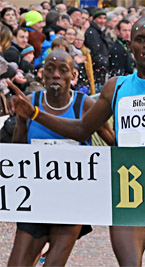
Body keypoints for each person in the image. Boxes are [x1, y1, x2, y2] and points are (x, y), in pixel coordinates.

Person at [10, 16, 145, 266]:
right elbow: (82, 129)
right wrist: (34, 114)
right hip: (127, 194)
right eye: (140, 40)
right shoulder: (116, 87)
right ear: (129, 45)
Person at [7, 49, 115, 266]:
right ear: (41, 75)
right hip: (36, 198)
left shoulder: (84, 105)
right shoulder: (29, 101)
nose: (56, 75)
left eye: (63, 70)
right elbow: (16, 152)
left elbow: (113, 143)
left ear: (74, 76)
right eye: (50, 70)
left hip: (72, 200)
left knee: (54, 263)